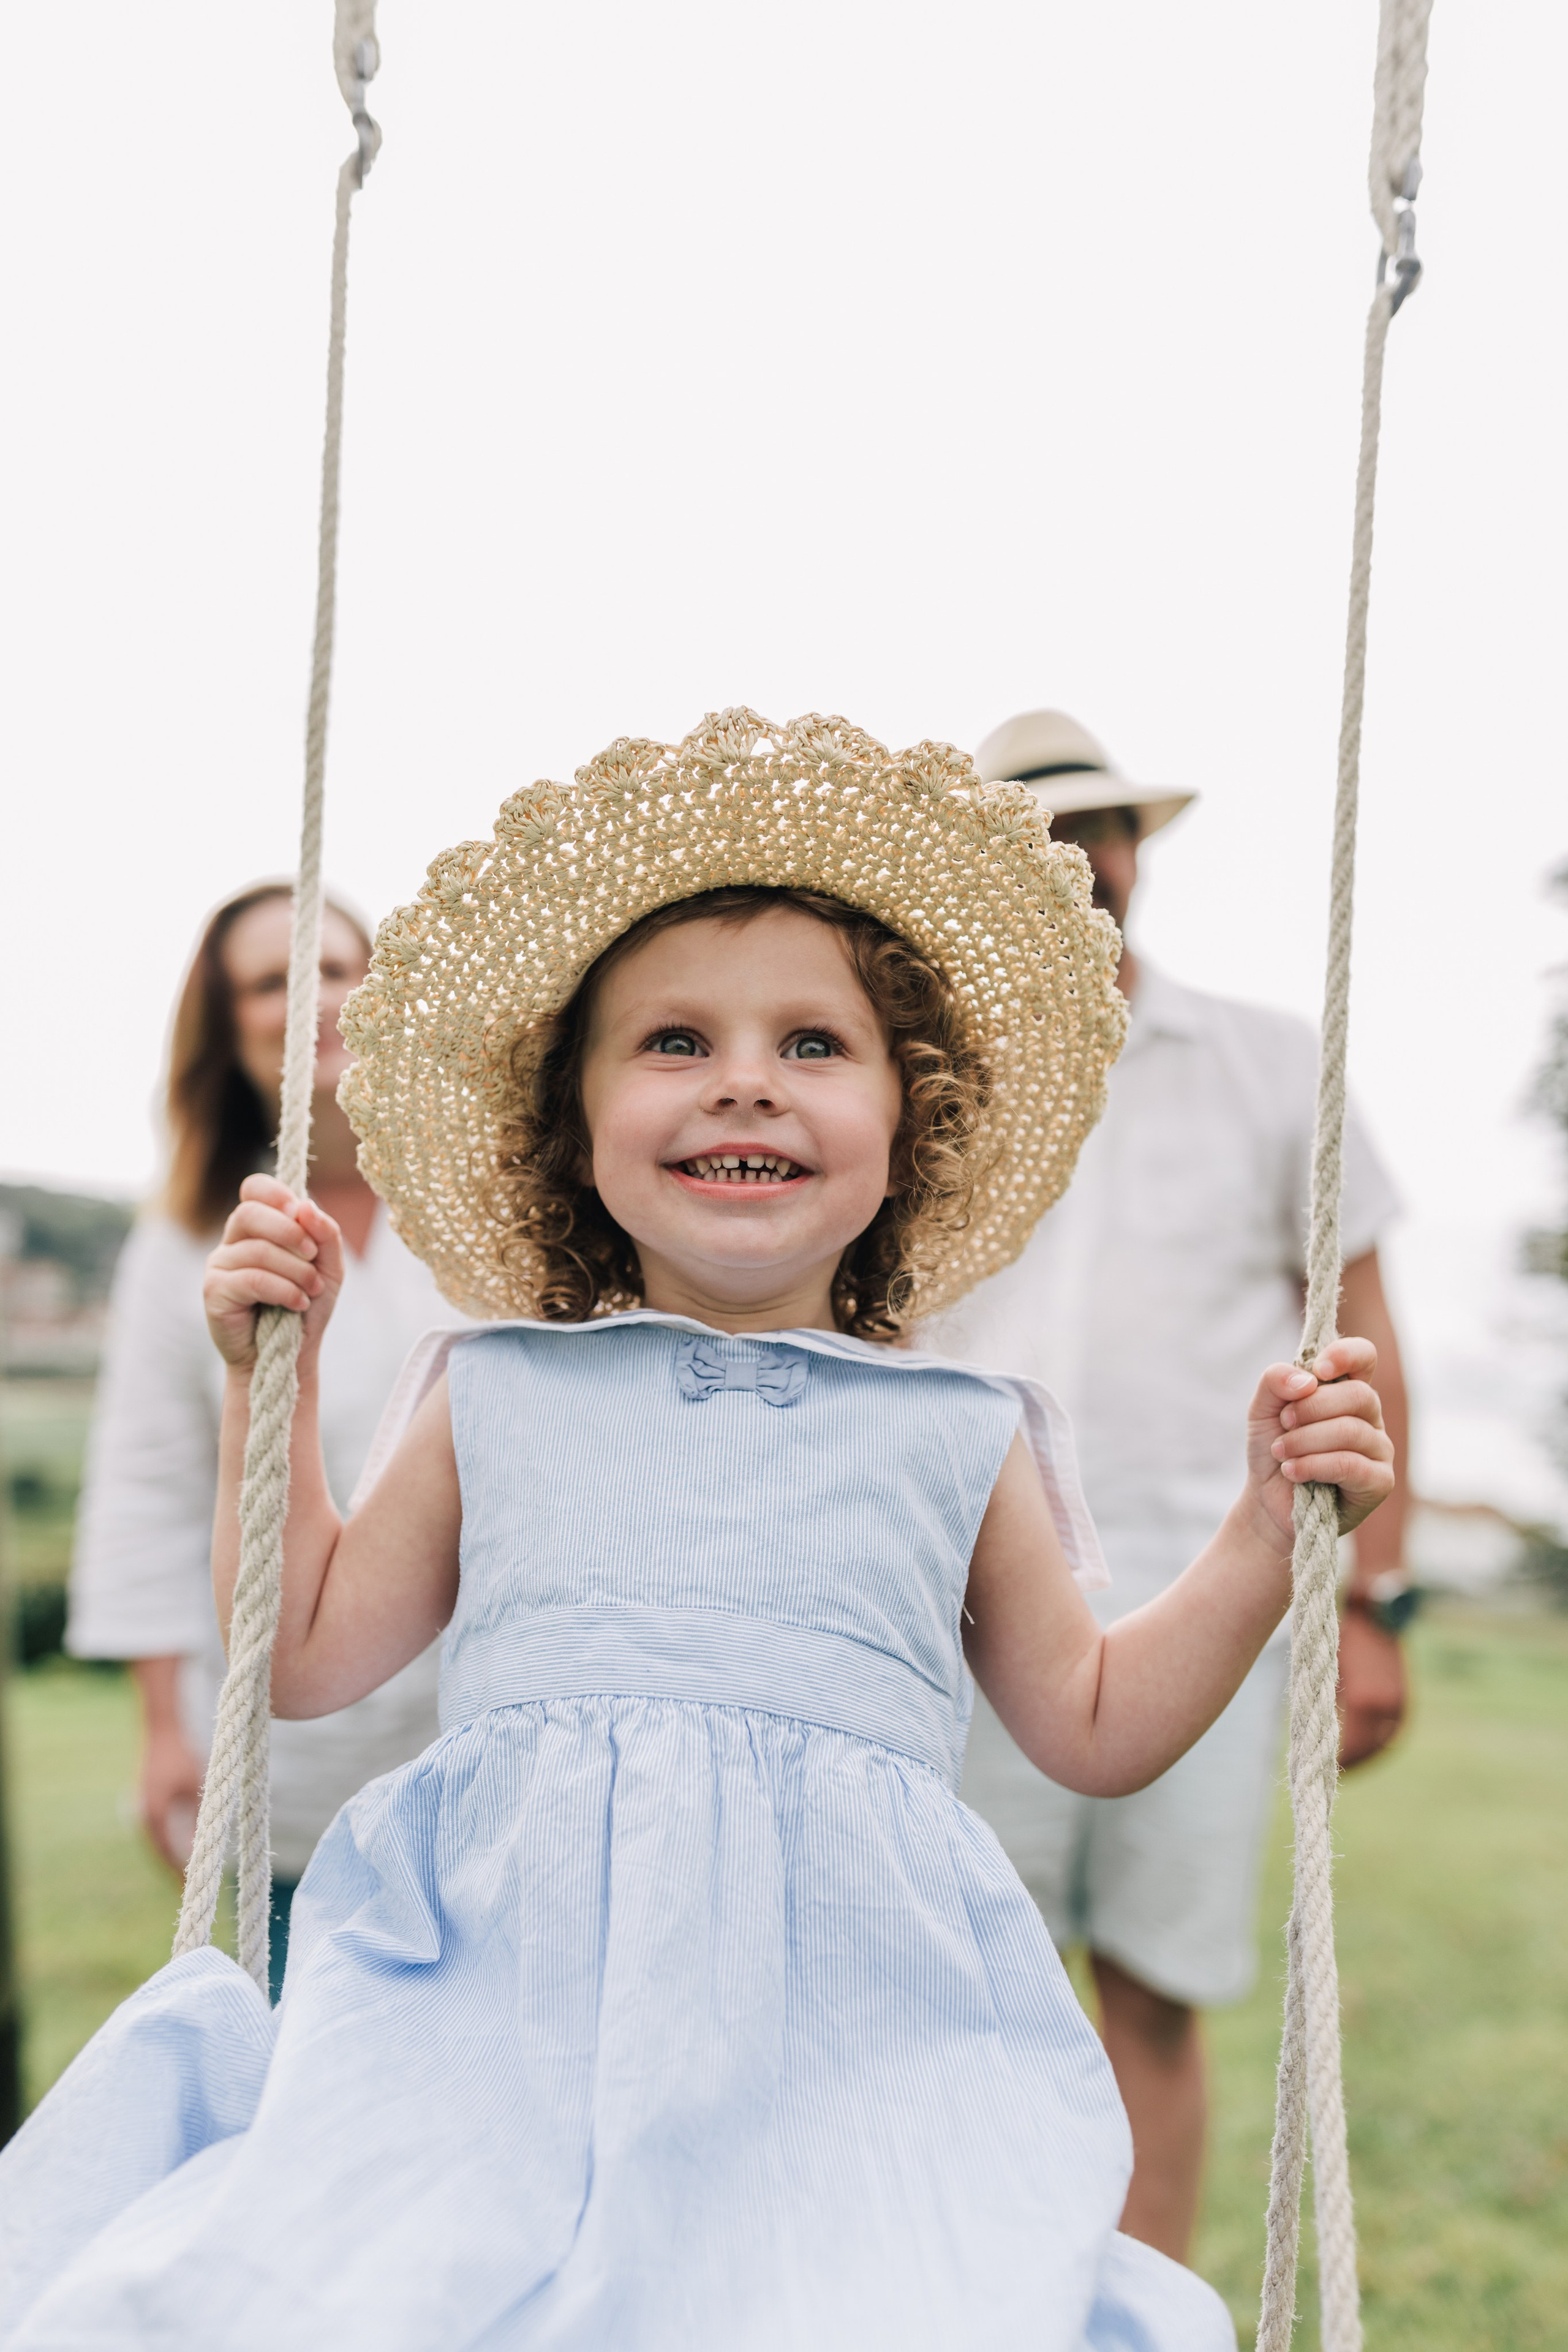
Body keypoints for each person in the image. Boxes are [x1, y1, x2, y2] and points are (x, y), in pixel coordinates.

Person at [0, 714, 1395, 2351]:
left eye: (816, 1045)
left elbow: (1093, 1725)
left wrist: (1259, 1529)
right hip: (497, 2038)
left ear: (907, 1123)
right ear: (575, 1126)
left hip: (849, 2051)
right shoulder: (495, 1392)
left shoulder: (958, 1436)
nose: (747, 1075)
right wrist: (268, 1390)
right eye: (674, 1042)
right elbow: (301, 1658)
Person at [925, 708, 1413, 2264]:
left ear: (1137, 851)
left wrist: (1373, 1602)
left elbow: (1364, 1341)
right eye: (1032, 838)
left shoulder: (1273, 1063)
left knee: (1152, 1982)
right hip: (949, 1604)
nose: (1071, 864)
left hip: (1215, 1589)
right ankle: (969, 2296)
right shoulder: (904, 1077)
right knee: (951, 1984)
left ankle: (1138, 2313)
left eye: (1095, 831)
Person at [67, 882, 469, 1999]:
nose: (313, 997)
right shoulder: (181, 1243)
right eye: (270, 980)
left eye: (337, 967)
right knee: (305, 2056)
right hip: (289, 1754)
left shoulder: (485, 1210)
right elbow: (148, 1486)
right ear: (225, 1023)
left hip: (476, 1728)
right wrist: (162, 1729)